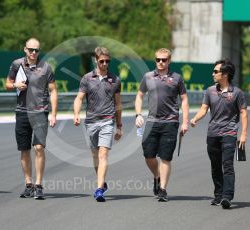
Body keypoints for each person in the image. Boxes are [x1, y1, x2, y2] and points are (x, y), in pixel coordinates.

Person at [190, 59, 248, 209]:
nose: (213, 74)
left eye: (216, 71)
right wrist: (195, 119)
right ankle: (218, 194)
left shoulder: (237, 93)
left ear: (225, 74)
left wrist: (243, 134)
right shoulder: (210, 91)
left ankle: (227, 196)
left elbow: (243, 113)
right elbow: (204, 109)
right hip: (212, 134)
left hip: (229, 133)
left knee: (227, 165)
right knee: (215, 166)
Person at [5, 38, 57, 200]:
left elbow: (53, 91)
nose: (34, 53)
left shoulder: (46, 68)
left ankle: (39, 185)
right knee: (24, 149)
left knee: (39, 148)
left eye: (37, 50)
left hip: (40, 112)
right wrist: (15, 86)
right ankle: (29, 184)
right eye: (31, 50)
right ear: (25, 50)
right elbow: (7, 83)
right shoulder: (16, 64)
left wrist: (54, 113)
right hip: (22, 112)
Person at [135, 48, 189, 202]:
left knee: (165, 158)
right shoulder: (148, 77)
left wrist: (184, 122)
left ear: (169, 61)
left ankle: (163, 190)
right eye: (158, 59)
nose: (160, 62)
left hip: (170, 122)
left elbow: (184, 100)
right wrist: (138, 114)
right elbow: (139, 96)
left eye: (164, 60)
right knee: (149, 156)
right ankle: (157, 176)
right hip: (152, 122)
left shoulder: (177, 79)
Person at [73, 47, 123, 202]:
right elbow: (79, 98)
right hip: (91, 122)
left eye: (107, 61)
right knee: (95, 155)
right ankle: (102, 182)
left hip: (107, 121)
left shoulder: (115, 79)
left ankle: (99, 189)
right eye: (102, 61)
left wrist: (119, 126)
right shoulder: (87, 78)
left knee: (103, 154)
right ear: (96, 60)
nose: (105, 64)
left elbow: (118, 104)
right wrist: (76, 114)